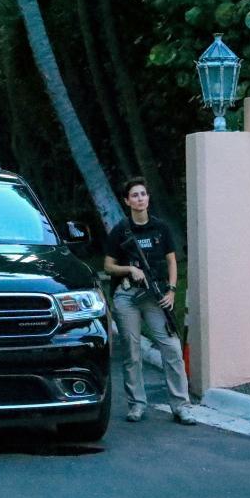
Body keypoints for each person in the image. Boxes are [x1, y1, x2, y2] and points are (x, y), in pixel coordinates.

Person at [104, 177, 197, 425]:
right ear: (127, 201)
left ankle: (181, 405)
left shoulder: (161, 228)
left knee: (172, 347)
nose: (139, 198)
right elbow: (108, 266)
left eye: (143, 194)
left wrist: (172, 291)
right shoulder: (120, 230)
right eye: (134, 195)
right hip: (127, 297)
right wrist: (128, 270)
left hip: (155, 296)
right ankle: (136, 404)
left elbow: (172, 261)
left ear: (148, 198)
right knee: (132, 352)